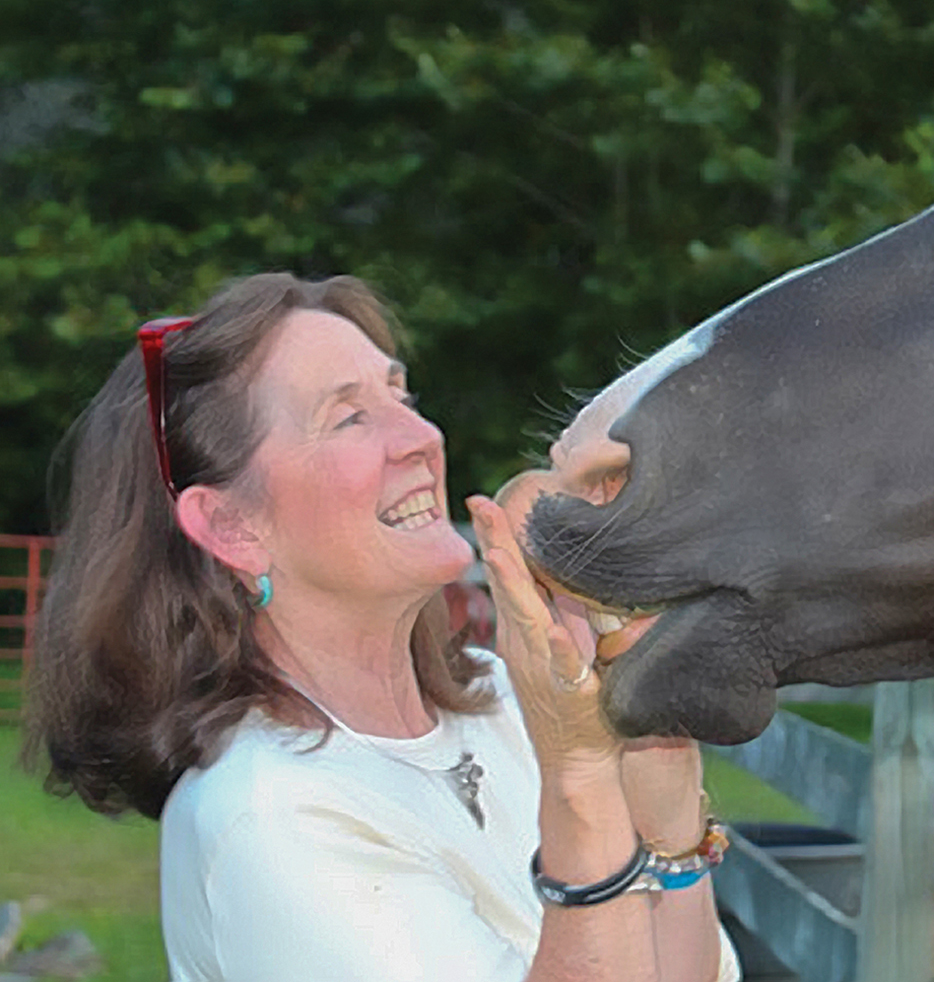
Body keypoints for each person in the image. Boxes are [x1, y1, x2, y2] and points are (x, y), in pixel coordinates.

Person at [23, 272, 740, 981]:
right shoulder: (269, 816)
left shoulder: (502, 696)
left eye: (402, 395)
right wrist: (581, 779)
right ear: (232, 527)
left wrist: (664, 784)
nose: (422, 436)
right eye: (349, 417)